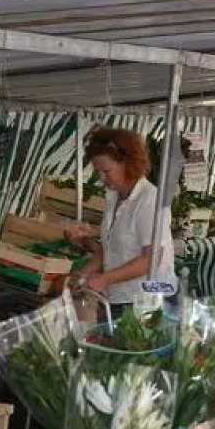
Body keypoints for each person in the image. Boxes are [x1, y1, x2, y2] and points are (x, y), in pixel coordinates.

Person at [66, 128, 177, 305]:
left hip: (152, 299)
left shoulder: (150, 200)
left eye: (107, 171)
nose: (101, 178)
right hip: (120, 297)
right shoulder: (113, 196)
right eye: (98, 172)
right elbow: (110, 249)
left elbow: (151, 259)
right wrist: (85, 273)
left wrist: (105, 278)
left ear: (128, 163)